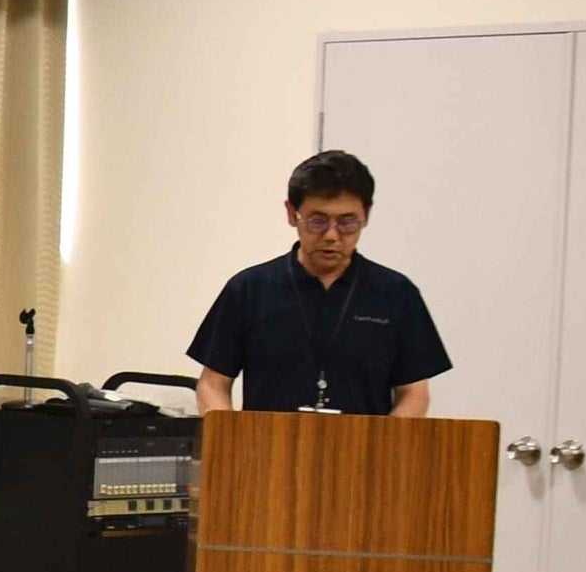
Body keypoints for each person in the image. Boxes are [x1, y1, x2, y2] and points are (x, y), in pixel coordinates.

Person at [189, 149, 450, 417]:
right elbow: (212, 384)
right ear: (292, 213)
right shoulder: (248, 289)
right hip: (268, 444)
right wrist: (231, 436)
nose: (331, 235)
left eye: (347, 222)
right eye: (318, 221)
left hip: (365, 445)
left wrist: (388, 442)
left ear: (366, 215)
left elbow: (414, 393)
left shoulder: (397, 293)